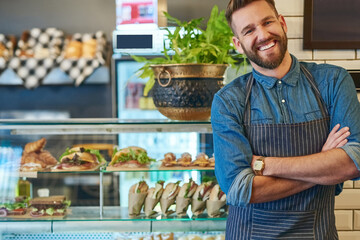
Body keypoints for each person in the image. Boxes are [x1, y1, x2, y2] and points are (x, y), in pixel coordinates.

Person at [211, 0, 360, 239]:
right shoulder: (228, 101)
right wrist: (324, 167)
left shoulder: (333, 82)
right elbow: (240, 189)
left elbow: (353, 162)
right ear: (238, 45)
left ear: (282, 23)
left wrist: (265, 165)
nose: (262, 34)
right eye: (249, 30)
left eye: (267, 22)